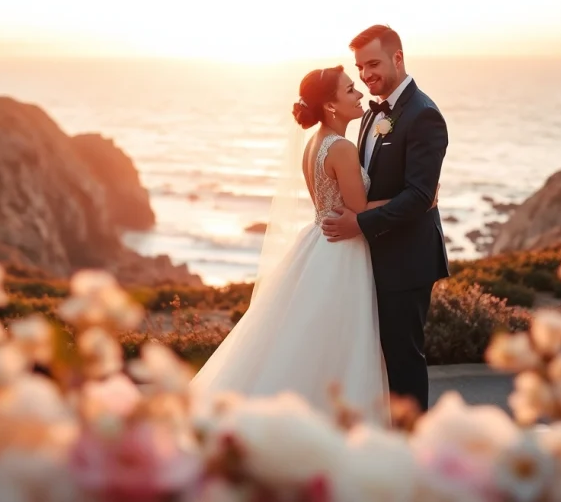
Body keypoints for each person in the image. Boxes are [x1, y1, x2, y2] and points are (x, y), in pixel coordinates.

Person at [189, 65, 393, 424]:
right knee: (338, 343)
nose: (359, 93)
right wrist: (416, 198)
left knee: (303, 340)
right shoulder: (342, 147)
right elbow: (358, 210)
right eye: (349, 90)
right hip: (342, 250)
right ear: (331, 105)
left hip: (318, 242)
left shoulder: (314, 143)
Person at [321, 24, 450, 412]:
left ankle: (413, 450)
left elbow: (419, 196)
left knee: (403, 361)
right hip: (369, 257)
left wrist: (358, 223)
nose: (366, 75)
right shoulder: (368, 114)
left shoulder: (424, 115)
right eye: (359, 67)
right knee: (371, 359)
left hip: (407, 261)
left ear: (398, 58)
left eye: (373, 63)